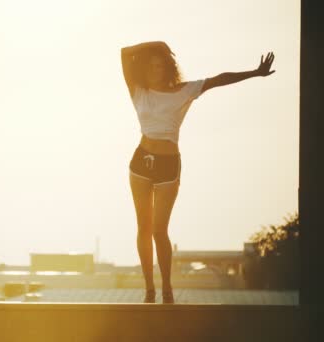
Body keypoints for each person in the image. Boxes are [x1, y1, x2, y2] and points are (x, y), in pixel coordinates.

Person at [121, 41, 275, 303]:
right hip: (140, 162)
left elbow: (218, 80)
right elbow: (124, 53)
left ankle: (167, 288)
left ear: (167, 68)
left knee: (160, 230)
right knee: (143, 228)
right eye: (151, 66)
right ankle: (149, 289)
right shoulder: (138, 90)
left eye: (160, 66)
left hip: (168, 164)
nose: (156, 70)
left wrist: (254, 72)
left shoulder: (184, 90)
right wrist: (157, 44)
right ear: (145, 70)